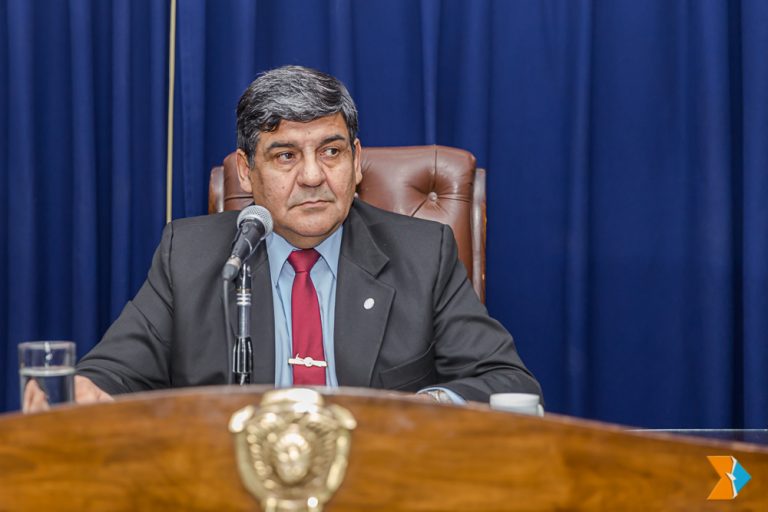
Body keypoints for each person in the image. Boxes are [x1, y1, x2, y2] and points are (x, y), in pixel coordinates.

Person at [25, 66, 541, 411]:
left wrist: (421, 408)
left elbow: (509, 382)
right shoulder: (191, 256)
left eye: (331, 151)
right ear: (246, 172)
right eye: (286, 155)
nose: (313, 176)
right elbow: (113, 373)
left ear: (357, 161)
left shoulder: (423, 255)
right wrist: (82, 391)